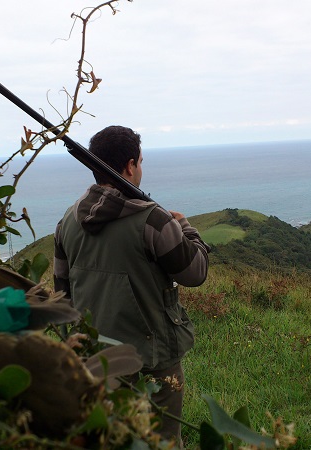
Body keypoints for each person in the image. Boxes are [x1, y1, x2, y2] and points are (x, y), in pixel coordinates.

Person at [53, 125, 210, 442]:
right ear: (129, 166)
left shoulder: (66, 222)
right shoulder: (154, 221)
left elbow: (61, 293)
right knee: (162, 440)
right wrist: (187, 230)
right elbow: (195, 273)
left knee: (109, 438)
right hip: (153, 358)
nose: (141, 168)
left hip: (96, 357)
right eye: (140, 161)